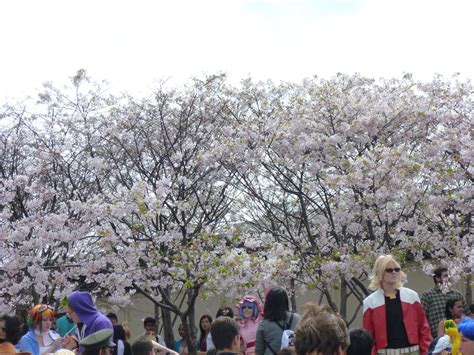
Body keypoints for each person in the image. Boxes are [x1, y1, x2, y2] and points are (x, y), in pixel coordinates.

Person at [363, 255, 431, 355]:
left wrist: (425, 352)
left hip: (413, 351)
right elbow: (369, 337)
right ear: (380, 272)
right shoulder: (370, 302)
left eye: (397, 269)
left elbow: (424, 329)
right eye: (389, 270)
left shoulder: (412, 297)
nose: (394, 272)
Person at [421, 266, 467, 338]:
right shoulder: (428, 295)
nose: (449, 278)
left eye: (449, 275)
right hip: (437, 339)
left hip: (459, 337)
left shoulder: (457, 294)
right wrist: (430, 339)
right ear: (437, 278)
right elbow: (422, 319)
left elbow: (468, 314)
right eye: (445, 276)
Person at [255, 287, 301, 355]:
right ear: (285, 301)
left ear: (268, 303)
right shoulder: (298, 319)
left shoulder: (263, 325)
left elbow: (259, 351)